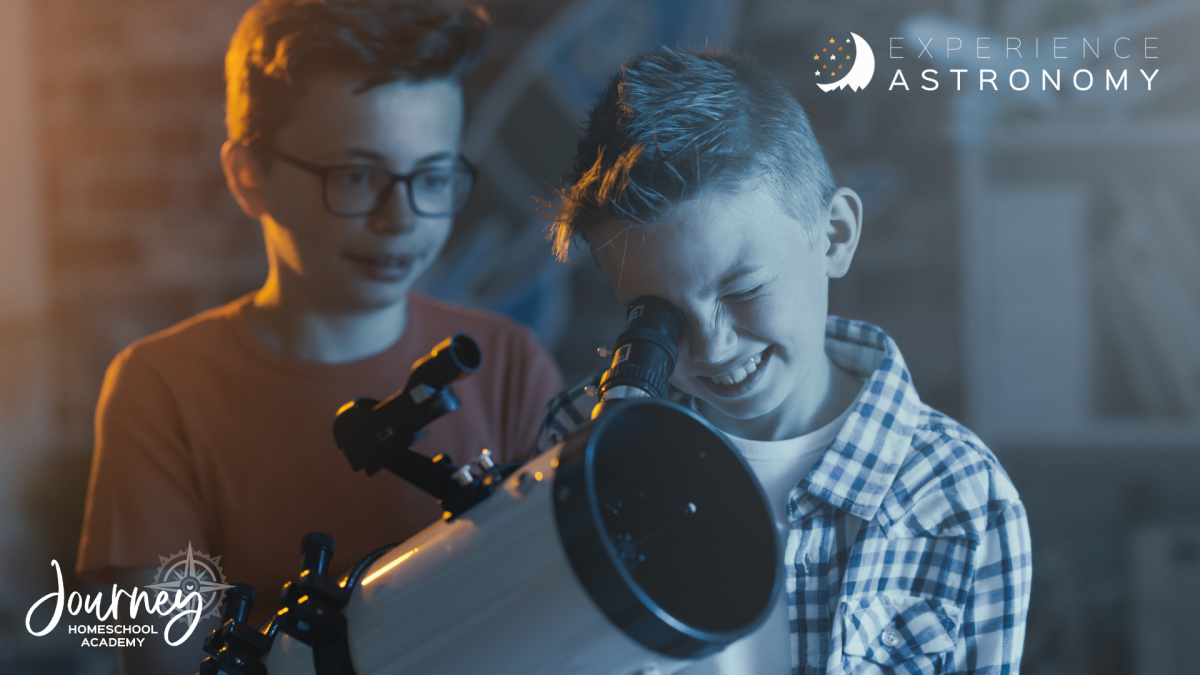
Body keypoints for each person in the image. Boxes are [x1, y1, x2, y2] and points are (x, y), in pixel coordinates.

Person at [75, 1, 563, 673]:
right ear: (249, 176)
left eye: (432, 177)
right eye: (357, 177)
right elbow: (171, 662)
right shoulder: (160, 389)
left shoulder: (506, 362)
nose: (401, 220)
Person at [538, 49, 1031, 674]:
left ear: (834, 236)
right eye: (656, 317)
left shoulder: (959, 495)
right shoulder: (576, 444)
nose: (713, 348)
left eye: (743, 292)